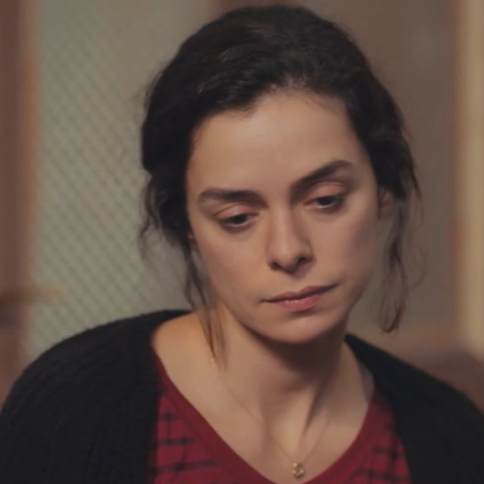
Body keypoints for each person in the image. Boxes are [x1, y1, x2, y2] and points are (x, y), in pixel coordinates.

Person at [1, 4, 483, 484]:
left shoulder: (453, 441)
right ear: (186, 224)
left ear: (382, 189)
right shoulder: (76, 408)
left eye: (325, 200)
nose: (288, 250)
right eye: (237, 218)